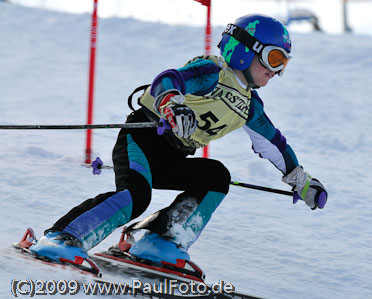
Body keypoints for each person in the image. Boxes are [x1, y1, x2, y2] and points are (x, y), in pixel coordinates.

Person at [29, 14, 328, 271]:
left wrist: (302, 181)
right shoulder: (213, 72)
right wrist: (173, 104)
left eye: (283, 63)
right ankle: (62, 237)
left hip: (173, 157)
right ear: (247, 50)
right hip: (142, 139)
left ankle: (160, 240)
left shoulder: (250, 105)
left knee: (216, 177)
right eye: (274, 58)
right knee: (136, 196)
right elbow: (168, 80)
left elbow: (274, 144)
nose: (277, 71)